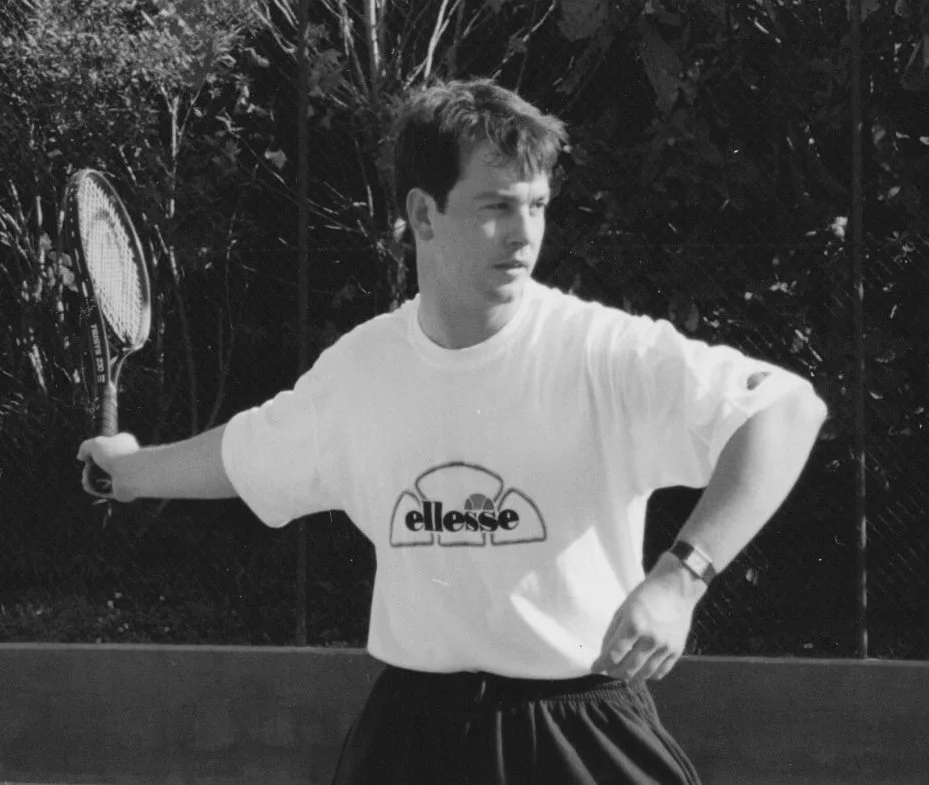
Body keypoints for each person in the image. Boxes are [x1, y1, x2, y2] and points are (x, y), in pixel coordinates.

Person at [77, 78, 828, 785]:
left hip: (582, 726)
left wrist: (680, 578)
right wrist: (131, 468)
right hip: (414, 735)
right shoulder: (363, 368)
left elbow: (786, 409)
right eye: (497, 206)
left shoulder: (603, 350)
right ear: (424, 214)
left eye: (537, 205)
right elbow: (245, 454)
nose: (525, 234)